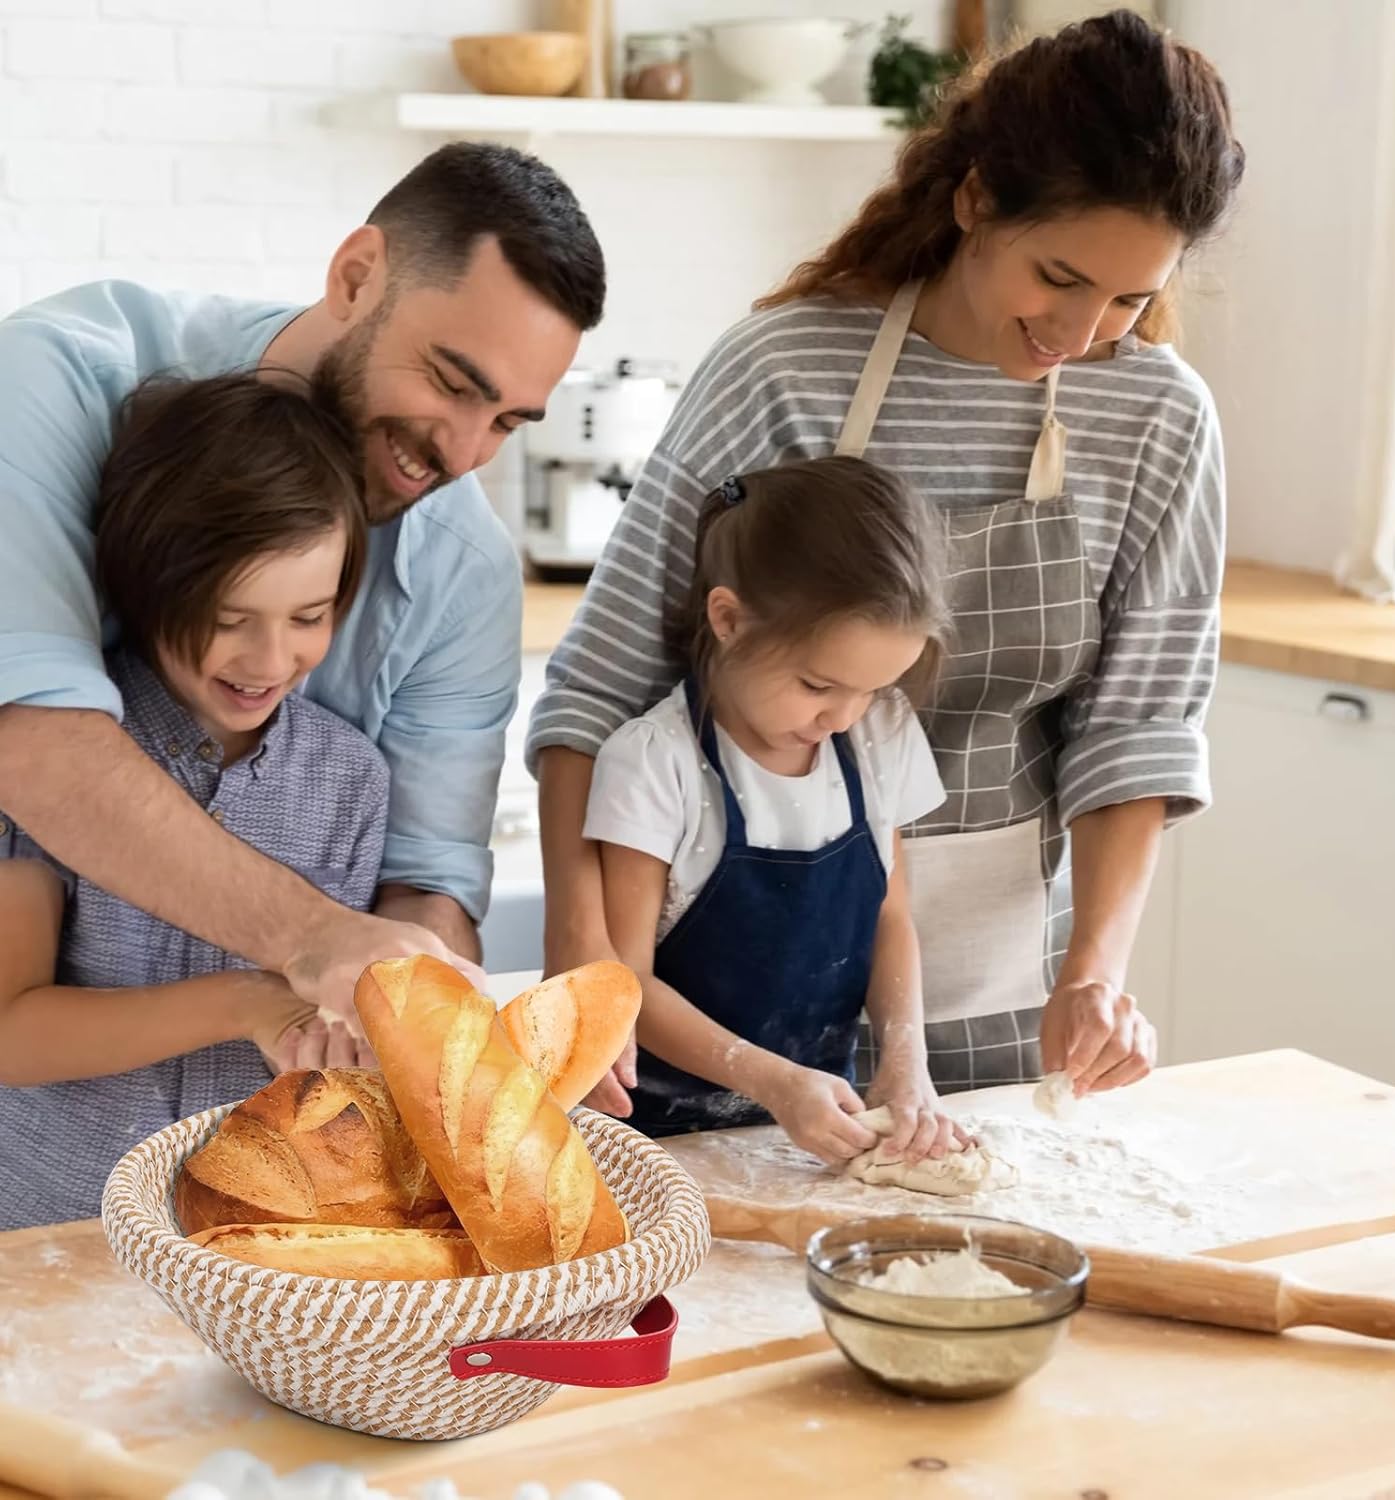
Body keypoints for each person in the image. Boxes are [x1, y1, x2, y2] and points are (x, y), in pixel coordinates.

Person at [529, 10, 1245, 1130]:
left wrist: (1095, 975)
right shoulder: (786, 368)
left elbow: (1136, 726)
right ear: (975, 199)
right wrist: (586, 956)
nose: (1079, 331)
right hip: (730, 1015)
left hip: (1012, 998)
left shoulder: (1158, 414)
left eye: (1128, 300)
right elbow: (601, 685)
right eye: (1058, 276)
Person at [0, 141, 605, 1031]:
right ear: (357, 277)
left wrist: (414, 1018)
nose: (463, 452)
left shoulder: (465, 568)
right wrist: (313, 938)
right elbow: (32, 741)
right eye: (450, 382)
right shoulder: (53, 382)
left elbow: (427, 885)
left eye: (507, 422)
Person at [0, 374, 388, 1229]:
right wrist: (249, 1004)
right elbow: (11, 1033)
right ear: (144, 587)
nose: (270, 660)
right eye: (228, 617)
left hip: (244, 1244)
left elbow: (331, 1053)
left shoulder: (351, 781)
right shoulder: (56, 758)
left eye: (309, 616)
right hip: (49, 1230)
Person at [583, 457, 964, 1164]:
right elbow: (626, 982)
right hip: (658, 1142)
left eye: (872, 689)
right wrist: (772, 1081)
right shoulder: (655, 763)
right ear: (728, 619)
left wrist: (905, 1060)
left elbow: (890, 918)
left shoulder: (880, 735)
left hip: (814, 1136)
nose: (843, 717)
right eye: (819, 685)